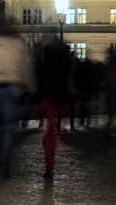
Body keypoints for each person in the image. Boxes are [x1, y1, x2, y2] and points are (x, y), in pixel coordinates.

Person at [0, 34, 33, 178]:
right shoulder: (17, 44)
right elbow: (25, 68)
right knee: (9, 129)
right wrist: (28, 87)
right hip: (11, 88)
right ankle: (5, 161)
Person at [36, 40, 70, 179]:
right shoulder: (64, 67)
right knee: (53, 131)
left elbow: (40, 83)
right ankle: (49, 165)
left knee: (50, 133)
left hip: (49, 99)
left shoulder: (44, 67)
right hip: (60, 100)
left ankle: (49, 166)